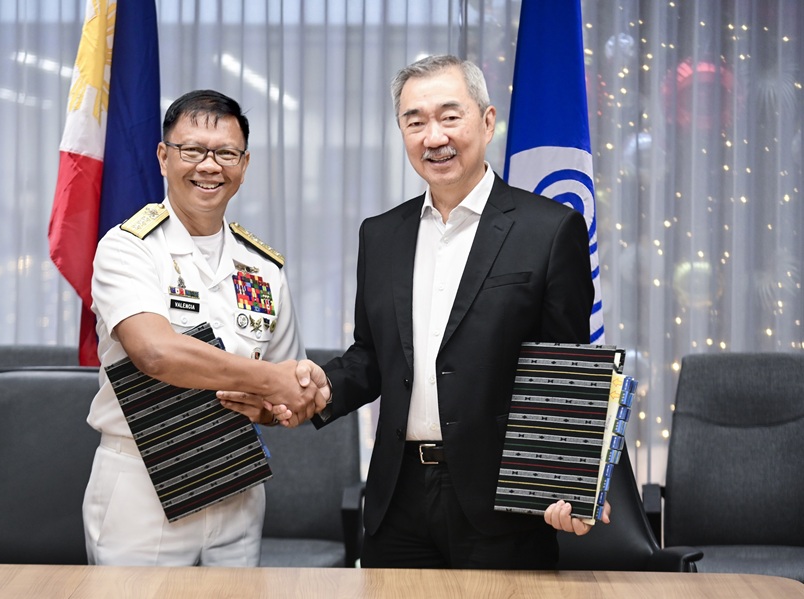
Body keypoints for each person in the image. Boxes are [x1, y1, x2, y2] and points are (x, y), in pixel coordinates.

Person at [237, 54, 605, 569]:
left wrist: (570, 480)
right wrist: (316, 389)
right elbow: (371, 358)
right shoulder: (382, 234)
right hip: (397, 498)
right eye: (415, 121)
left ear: (488, 120)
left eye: (449, 116)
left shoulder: (549, 229)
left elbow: (564, 369)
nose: (433, 136)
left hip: (501, 504)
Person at [82, 89, 323, 567]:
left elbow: (282, 396)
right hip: (142, 484)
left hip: (236, 483)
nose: (209, 166)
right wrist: (270, 380)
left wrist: (282, 402)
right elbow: (156, 354)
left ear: (244, 163)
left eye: (226, 153)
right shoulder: (129, 248)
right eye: (192, 150)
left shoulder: (264, 267)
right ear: (164, 156)